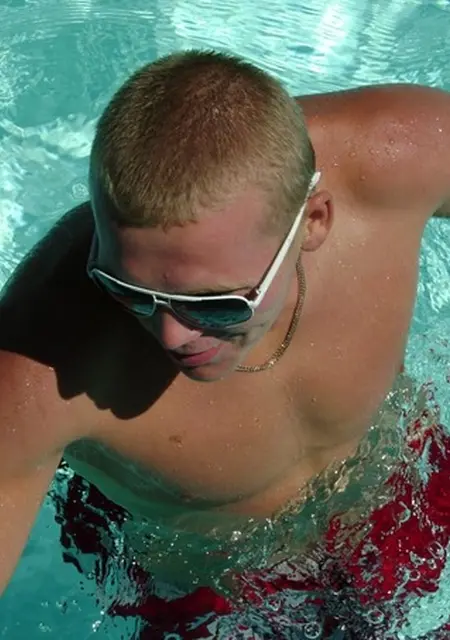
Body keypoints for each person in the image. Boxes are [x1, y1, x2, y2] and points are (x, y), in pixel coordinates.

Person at [0, 50, 449, 637]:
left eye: (215, 303)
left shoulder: (399, 157)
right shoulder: (39, 368)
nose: (171, 334)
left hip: (399, 488)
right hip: (211, 590)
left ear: (314, 222)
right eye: (128, 292)